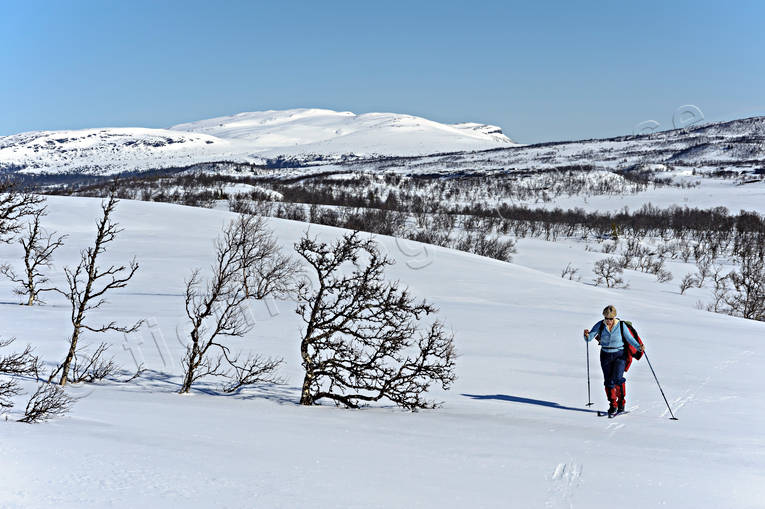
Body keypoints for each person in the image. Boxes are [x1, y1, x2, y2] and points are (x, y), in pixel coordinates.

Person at [583, 305, 645, 416]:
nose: (608, 321)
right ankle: (613, 404)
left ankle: (621, 403)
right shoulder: (600, 325)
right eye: (606, 318)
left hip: (620, 355)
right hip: (605, 355)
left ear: (614, 317)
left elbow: (630, 339)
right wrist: (586, 335)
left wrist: (639, 347)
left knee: (617, 378)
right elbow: (589, 338)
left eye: (610, 318)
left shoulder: (621, 326)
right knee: (608, 381)